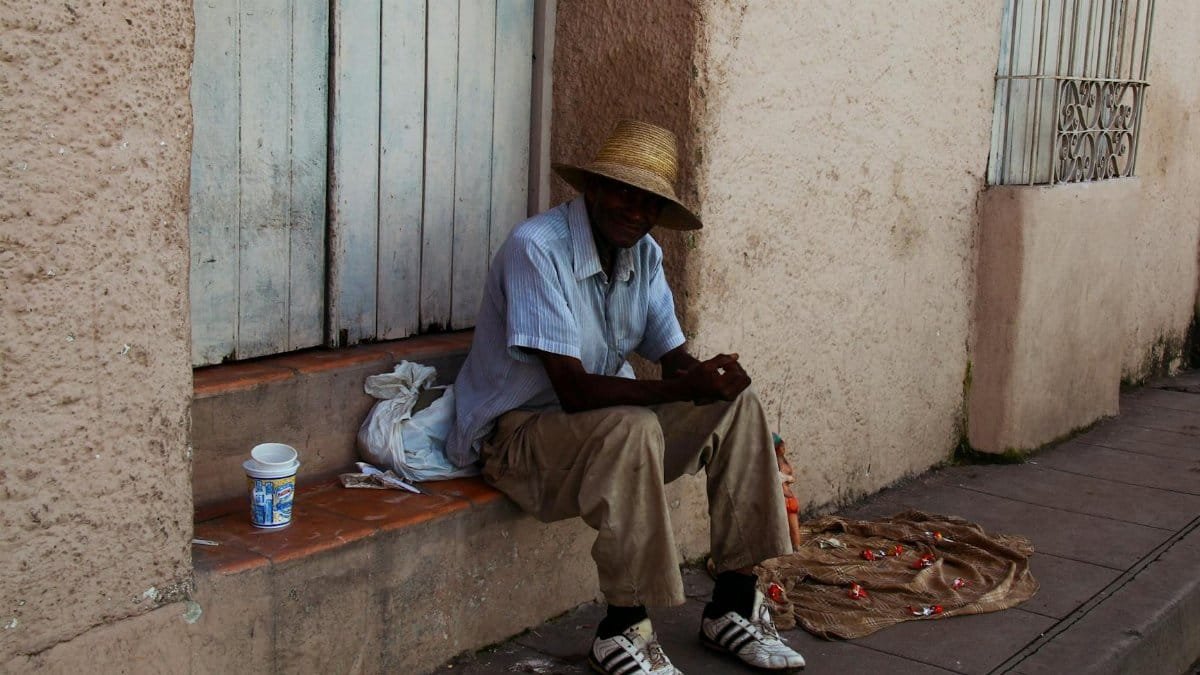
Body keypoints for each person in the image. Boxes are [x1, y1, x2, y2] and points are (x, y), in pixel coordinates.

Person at [447, 120, 806, 674]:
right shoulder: (537, 249)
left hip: (595, 433)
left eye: (649, 204)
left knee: (738, 405)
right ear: (592, 187)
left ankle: (734, 603)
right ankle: (623, 631)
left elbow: (673, 355)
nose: (634, 211)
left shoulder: (645, 255)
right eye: (622, 192)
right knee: (631, 425)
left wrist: (708, 378)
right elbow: (572, 390)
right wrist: (680, 388)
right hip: (518, 442)